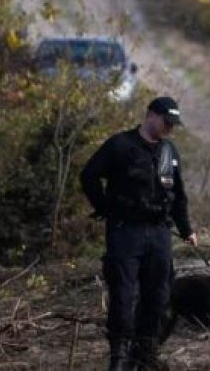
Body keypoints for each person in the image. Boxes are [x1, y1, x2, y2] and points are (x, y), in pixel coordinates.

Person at [81, 96, 198, 371]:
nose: (169, 129)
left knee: (158, 296)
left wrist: (187, 229)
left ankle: (144, 359)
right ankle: (119, 360)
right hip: (126, 232)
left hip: (159, 234)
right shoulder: (120, 145)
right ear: (150, 116)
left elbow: (178, 196)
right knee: (123, 296)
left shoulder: (170, 152)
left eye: (173, 125)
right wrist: (105, 207)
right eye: (166, 122)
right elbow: (88, 175)